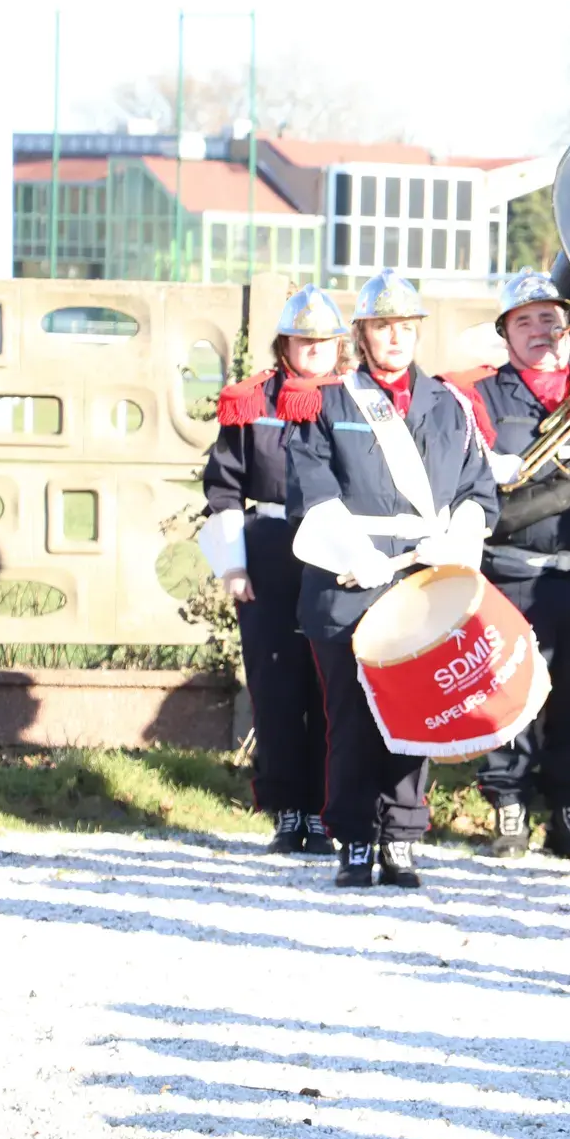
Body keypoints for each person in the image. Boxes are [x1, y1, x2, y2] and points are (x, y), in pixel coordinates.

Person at [284, 269, 497, 890]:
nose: (397, 337)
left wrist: (460, 536)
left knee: (416, 712)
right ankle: (353, 836)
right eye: (384, 326)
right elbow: (311, 491)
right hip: (350, 580)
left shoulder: (450, 404)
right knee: (351, 718)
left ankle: (401, 835)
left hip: (424, 580)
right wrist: (354, 552)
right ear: (362, 334)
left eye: (406, 326)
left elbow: (478, 490)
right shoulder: (326, 402)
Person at [442, 270, 570, 862]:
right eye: (525, 321)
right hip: (513, 571)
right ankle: (508, 803)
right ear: (505, 334)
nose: (540, 331)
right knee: (509, 691)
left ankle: (568, 809)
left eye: (550, 319)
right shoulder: (482, 396)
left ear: (569, 327)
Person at [201, 285, 345, 855]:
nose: (314, 348)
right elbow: (224, 489)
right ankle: (288, 809)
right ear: (284, 344)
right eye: (303, 339)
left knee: (332, 688)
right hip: (268, 550)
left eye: (324, 340)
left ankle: (328, 810)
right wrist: (233, 565)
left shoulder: (356, 400)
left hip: (336, 552)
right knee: (276, 686)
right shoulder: (251, 401)